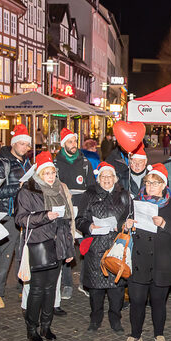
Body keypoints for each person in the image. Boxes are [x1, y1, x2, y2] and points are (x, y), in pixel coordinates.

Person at [120, 163, 171, 341]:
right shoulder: (135, 202)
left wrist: (164, 223)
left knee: (158, 302)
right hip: (138, 261)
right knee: (137, 301)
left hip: (162, 262)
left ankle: (159, 334)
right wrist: (126, 225)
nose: (150, 187)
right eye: (148, 183)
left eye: (155, 183)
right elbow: (122, 223)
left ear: (163, 185)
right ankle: (135, 336)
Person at [15, 151, 75, 341]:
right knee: (37, 289)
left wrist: (68, 249)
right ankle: (31, 328)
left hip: (57, 244)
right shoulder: (28, 191)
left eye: (52, 173)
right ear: (38, 174)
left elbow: (66, 221)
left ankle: (46, 326)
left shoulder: (59, 189)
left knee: (51, 289)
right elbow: (21, 219)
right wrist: (45, 216)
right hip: (38, 244)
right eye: (46, 173)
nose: (50, 177)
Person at [75, 162, 131, 334]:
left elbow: (130, 216)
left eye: (110, 176)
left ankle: (116, 319)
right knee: (96, 290)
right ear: (98, 178)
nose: (107, 179)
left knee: (117, 289)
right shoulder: (89, 194)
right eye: (103, 176)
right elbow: (80, 219)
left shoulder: (124, 195)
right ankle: (95, 319)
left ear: (115, 178)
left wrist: (123, 226)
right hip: (96, 247)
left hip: (116, 246)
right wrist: (90, 227)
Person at [0, 124, 32, 310]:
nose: (24, 148)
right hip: (7, 214)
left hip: (24, 214)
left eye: (26, 145)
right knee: (4, 255)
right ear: (13, 144)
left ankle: (23, 285)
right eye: (21, 144)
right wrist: (18, 188)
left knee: (23, 253)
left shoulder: (27, 163)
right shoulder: (2, 163)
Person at [54, 128, 96, 301]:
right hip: (64, 208)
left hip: (83, 208)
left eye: (75, 141)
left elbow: (92, 185)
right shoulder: (56, 163)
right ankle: (67, 284)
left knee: (87, 244)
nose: (73, 145)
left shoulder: (84, 162)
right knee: (66, 245)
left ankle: (84, 282)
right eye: (70, 142)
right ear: (63, 144)